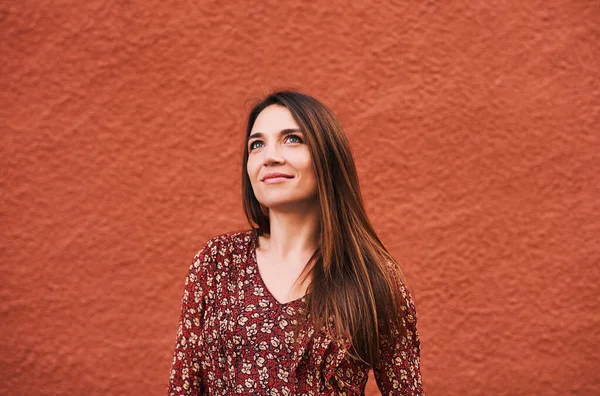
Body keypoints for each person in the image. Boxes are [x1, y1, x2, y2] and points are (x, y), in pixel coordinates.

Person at [167, 90, 424, 395]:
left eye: (292, 139)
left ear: (328, 158)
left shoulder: (372, 279)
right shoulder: (218, 263)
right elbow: (183, 387)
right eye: (257, 145)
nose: (270, 156)